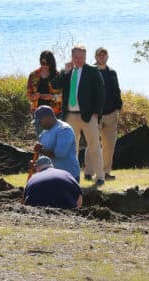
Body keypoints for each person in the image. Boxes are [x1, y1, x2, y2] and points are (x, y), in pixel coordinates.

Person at [51, 44, 106, 187]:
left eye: (82, 57)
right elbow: (55, 85)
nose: (79, 59)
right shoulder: (68, 71)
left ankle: (100, 177)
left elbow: (100, 93)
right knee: (71, 148)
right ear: (72, 57)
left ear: (86, 57)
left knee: (94, 146)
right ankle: (73, 177)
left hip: (88, 116)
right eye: (76, 56)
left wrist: (96, 114)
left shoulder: (92, 71)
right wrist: (65, 72)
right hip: (70, 116)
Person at [84, 47, 122, 181]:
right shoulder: (89, 72)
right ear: (95, 57)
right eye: (100, 55)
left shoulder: (112, 72)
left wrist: (118, 108)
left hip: (111, 114)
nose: (102, 57)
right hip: (95, 115)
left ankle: (106, 172)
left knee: (109, 145)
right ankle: (89, 172)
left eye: (105, 55)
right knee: (93, 143)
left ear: (108, 57)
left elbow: (116, 91)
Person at [32, 105, 80, 181]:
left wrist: (41, 150)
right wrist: (37, 164)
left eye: (40, 121)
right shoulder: (44, 132)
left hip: (68, 177)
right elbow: (44, 156)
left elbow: (60, 154)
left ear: (48, 118)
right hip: (52, 177)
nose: (39, 124)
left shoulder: (64, 130)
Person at [26, 51, 62, 135]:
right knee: (41, 139)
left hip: (55, 113)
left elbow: (63, 96)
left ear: (52, 63)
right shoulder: (33, 75)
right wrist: (33, 96)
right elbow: (28, 95)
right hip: (38, 113)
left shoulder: (57, 76)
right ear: (40, 61)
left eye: (48, 63)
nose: (45, 65)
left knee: (54, 138)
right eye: (43, 63)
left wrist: (52, 97)